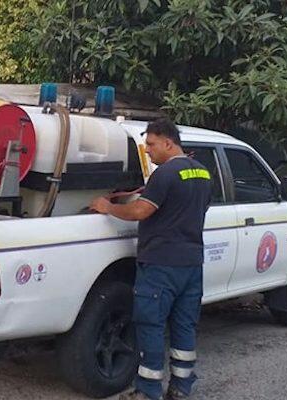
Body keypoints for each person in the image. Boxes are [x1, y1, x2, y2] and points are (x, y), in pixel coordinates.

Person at [89, 118, 212, 400]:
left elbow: (141, 211)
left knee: (151, 325)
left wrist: (107, 206)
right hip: (192, 264)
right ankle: (181, 387)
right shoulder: (203, 173)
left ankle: (148, 390)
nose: (147, 150)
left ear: (169, 143)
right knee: (184, 324)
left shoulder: (165, 174)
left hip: (161, 265)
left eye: (152, 144)